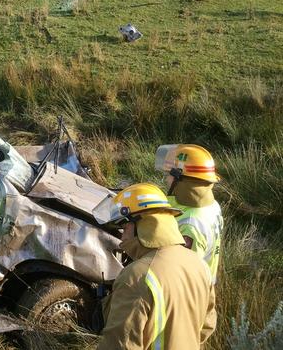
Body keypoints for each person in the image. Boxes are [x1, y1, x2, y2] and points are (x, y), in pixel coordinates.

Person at [92, 183, 216, 350]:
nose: (122, 238)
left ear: (139, 225)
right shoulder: (199, 264)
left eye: (124, 227)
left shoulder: (137, 276)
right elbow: (206, 326)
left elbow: (120, 345)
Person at [155, 144, 223, 283]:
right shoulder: (211, 205)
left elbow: (183, 275)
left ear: (181, 180)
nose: (166, 179)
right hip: (204, 286)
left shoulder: (190, 226)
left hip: (191, 293)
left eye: (168, 175)